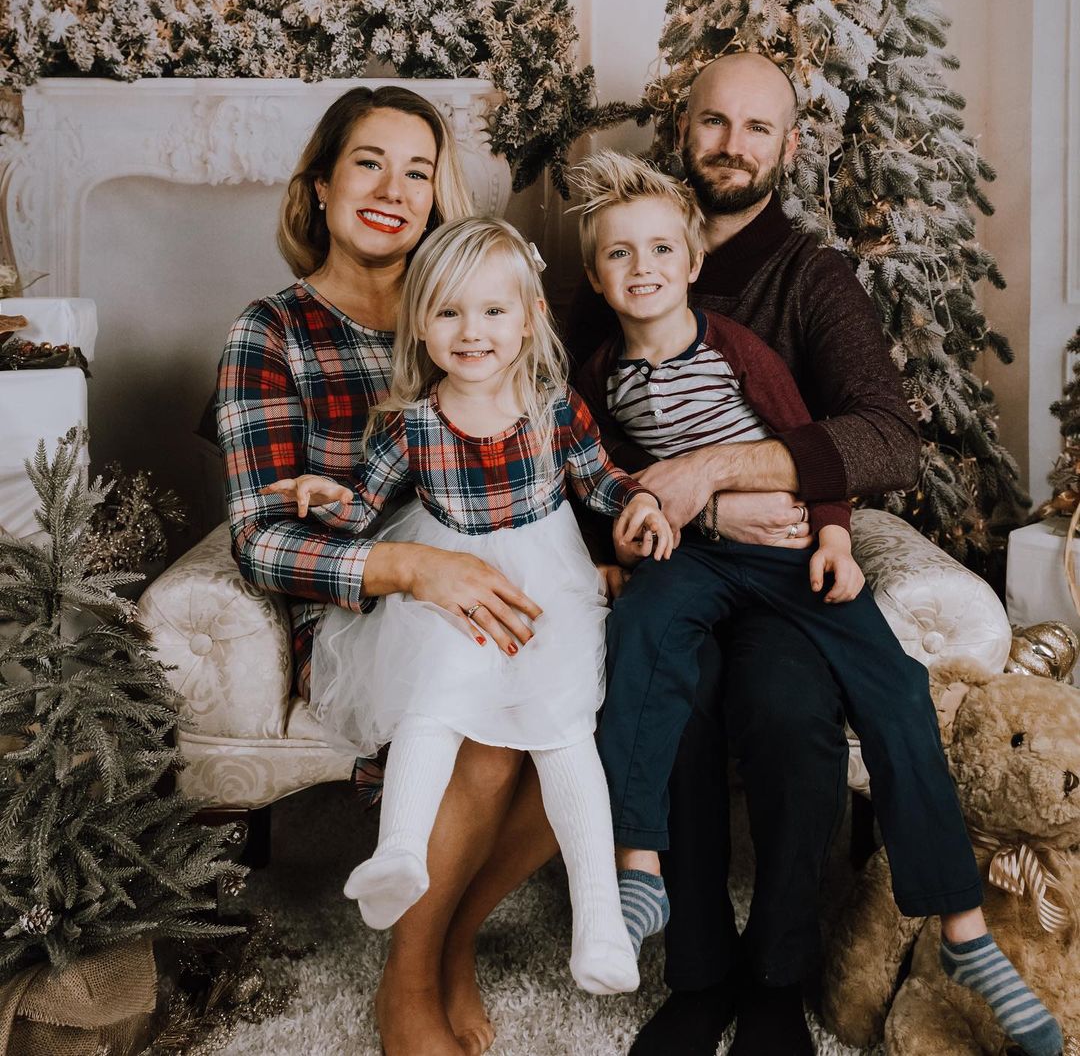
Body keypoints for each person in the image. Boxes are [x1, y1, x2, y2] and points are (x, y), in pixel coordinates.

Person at [572, 148, 1062, 1056]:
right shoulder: (598, 373)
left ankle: (960, 926)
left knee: (896, 689)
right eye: (618, 256)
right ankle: (637, 867)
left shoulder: (737, 348)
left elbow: (817, 442)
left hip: (790, 555)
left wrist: (834, 534)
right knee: (642, 636)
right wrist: (619, 540)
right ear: (596, 276)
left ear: (691, 262)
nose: (641, 270)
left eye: (658, 252)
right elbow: (597, 475)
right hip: (693, 559)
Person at [263, 216, 674, 996]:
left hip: (546, 583)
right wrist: (324, 498)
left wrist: (642, 507)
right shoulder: (411, 426)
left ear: (528, 321)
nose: (471, 331)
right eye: (449, 312)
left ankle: (600, 925)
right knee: (435, 699)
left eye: (492, 311)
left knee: (563, 731)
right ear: (421, 324)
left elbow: (602, 483)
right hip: (449, 575)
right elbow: (365, 511)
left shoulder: (555, 410)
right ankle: (401, 853)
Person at [217, 87, 545, 1056]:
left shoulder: (470, 310)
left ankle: (451, 938)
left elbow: (547, 452)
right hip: (367, 614)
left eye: (418, 171)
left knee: (601, 710)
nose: (393, 189)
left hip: (492, 578)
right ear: (320, 187)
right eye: (369, 163)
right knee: (487, 736)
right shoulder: (272, 334)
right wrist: (407, 567)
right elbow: (263, 540)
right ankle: (409, 982)